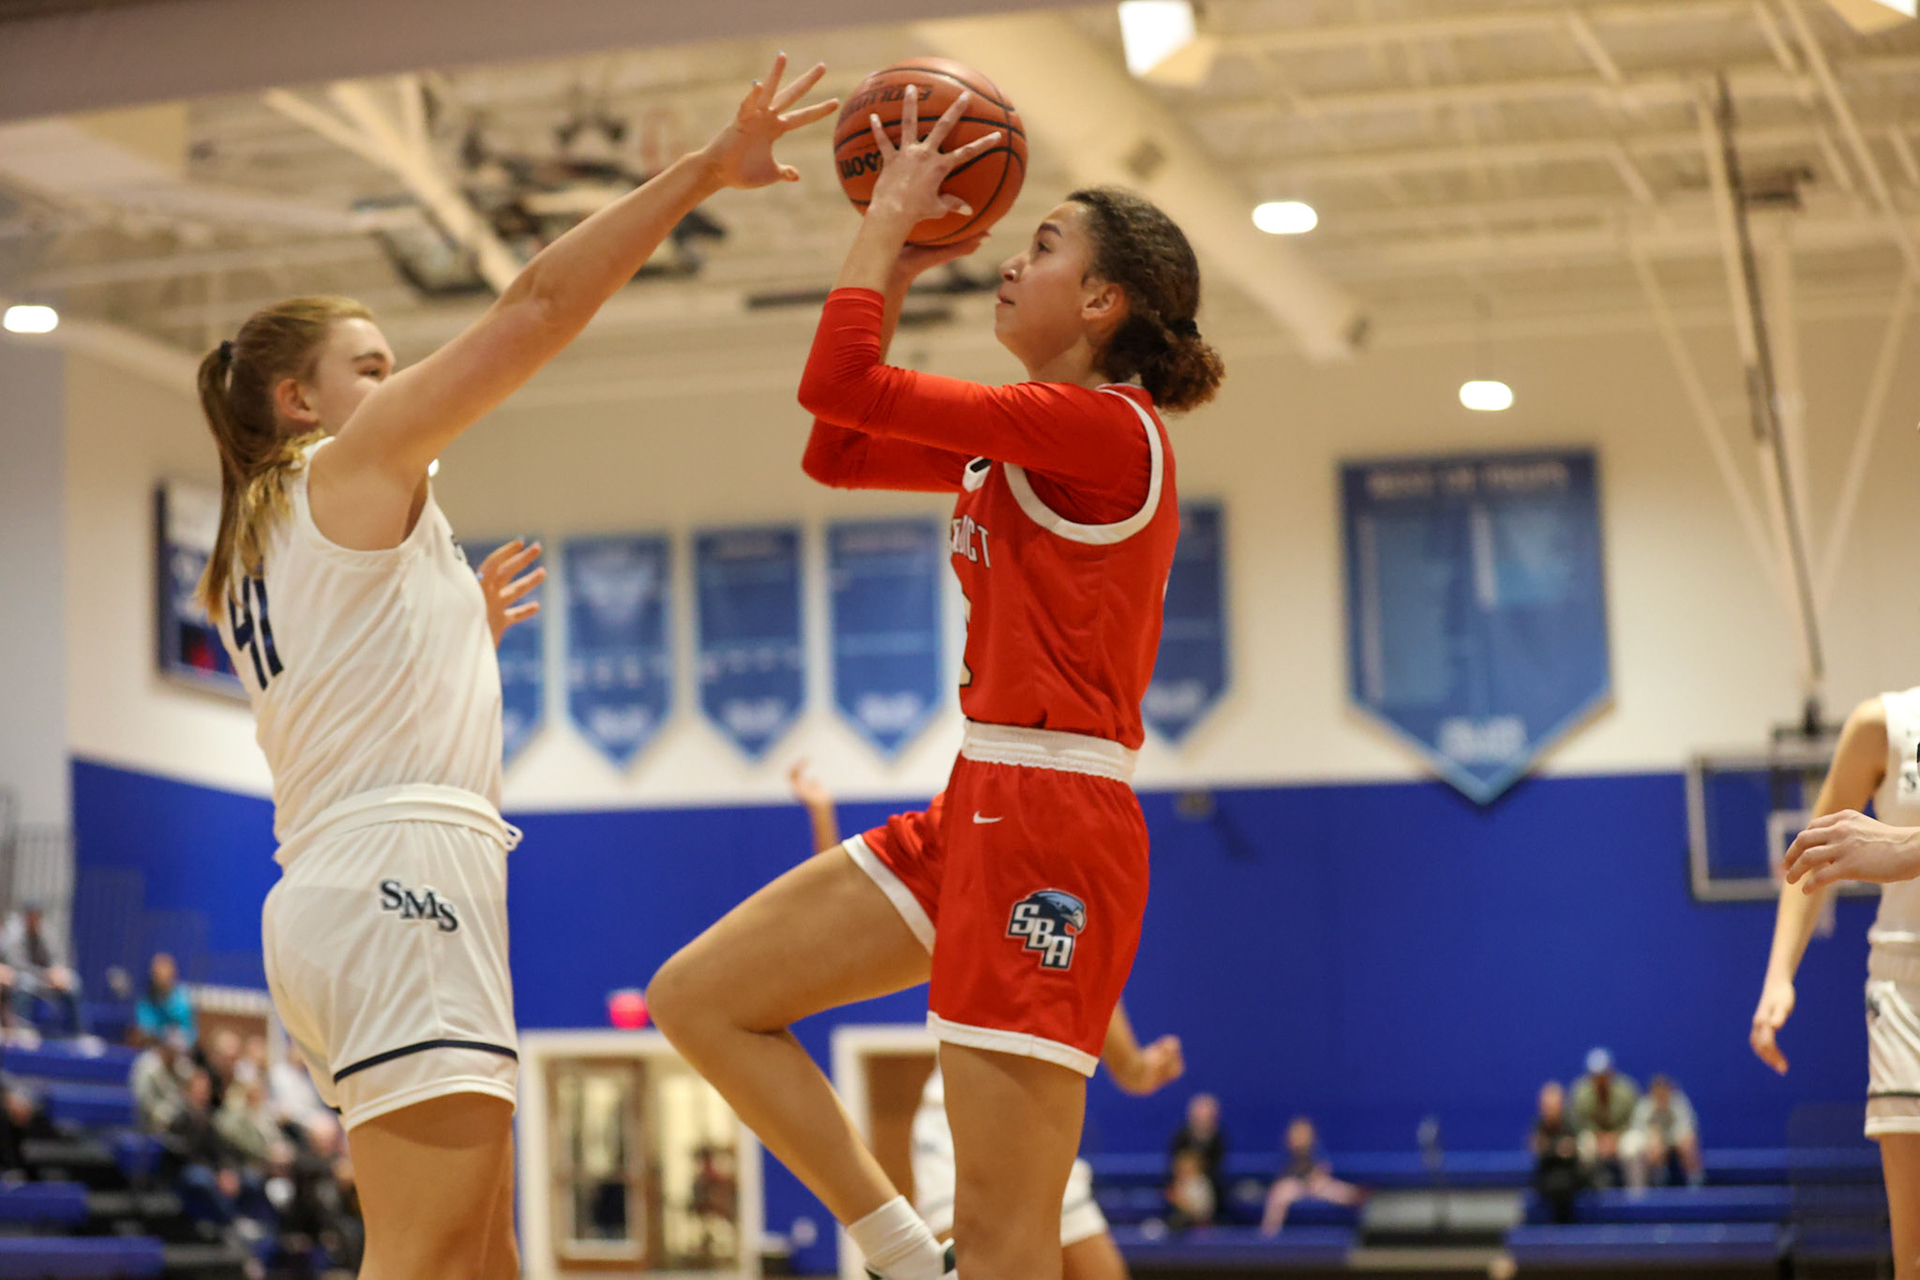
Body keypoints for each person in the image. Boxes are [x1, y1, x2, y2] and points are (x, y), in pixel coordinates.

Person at [193, 56, 837, 1280]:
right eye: (371, 365)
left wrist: (453, 635)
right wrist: (701, 169)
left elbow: (340, 703)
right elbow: (537, 306)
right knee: (431, 1253)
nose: (395, 381)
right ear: (299, 398)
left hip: (342, 887)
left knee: (481, 1253)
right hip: (400, 881)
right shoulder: (344, 466)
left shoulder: (260, 543)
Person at [648, 81, 1224, 1280]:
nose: (1010, 265)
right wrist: (900, 259)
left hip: (1056, 820)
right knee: (700, 997)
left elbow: (841, 389)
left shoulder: (1108, 433)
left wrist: (884, 221)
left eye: (1041, 246)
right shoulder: (1034, 434)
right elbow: (836, 444)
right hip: (980, 803)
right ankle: (907, 1253)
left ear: (1104, 303)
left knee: (1017, 1236)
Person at [784, 761, 1185, 1280]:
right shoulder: (972, 841)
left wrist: (1135, 1067)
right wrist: (823, 815)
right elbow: (847, 908)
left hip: (1040, 1114)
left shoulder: (1078, 876)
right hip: (963, 1115)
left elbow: (1093, 994)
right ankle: (899, 1255)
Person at [1758, 693, 1920, 1279]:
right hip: (1906, 987)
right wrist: (1779, 975)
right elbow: (1807, 860)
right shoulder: (1886, 724)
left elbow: (1901, 849)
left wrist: (1906, 846)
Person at [1259, 1117, 1366, 1235]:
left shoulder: (1316, 1151)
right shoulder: (1286, 1154)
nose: (1300, 1137)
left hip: (1317, 1187)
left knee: (1345, 1192)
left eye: (1304, 1133)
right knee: (1279, 1194)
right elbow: (1283, 1176)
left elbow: (1324, 1169)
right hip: (1293, 1187)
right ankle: (1269, 1234)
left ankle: (1362, 1231)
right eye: (1297, 1134)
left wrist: (1316, 1178)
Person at [0, 903, 85, 1035]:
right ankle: (23, 1030)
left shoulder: (48, 932)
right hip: (27, 976)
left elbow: (59, 957)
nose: (34, 920)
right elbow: (16, 964)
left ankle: (79, 1033)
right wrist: (44, 974)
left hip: (48, 979)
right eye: (31, 916)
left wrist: (58, 972)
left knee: (73, 983)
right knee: (24, 982)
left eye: (37, 917)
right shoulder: (15, 933)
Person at [1570, 1048, 1638, 1189]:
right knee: (1584, 1146)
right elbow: (1579, 1124)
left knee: (1633, 1147)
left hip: (1621, 1137)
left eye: (1604, 1075)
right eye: (1596, 1076)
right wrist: (1600, 1138)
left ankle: (1636, 1194)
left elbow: (1634, 1120)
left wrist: (1615, 1137)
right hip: (1595, 1138)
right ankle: (1587, 1190)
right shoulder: (1580, 1093)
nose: (1600, 1080)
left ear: (1611, 1073)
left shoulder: (1626, 1090)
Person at [1623, 1075, 1702, 1189]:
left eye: (1663, 1092)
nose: (1661, 1095)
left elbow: (1687, 1126)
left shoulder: (1678, 1103)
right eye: (1657, 1093)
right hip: (1653, 1143)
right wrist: (1654, 1136)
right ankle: (1659, 1180)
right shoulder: (1645, 1106)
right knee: (1654, 1144)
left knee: (1688, 1142)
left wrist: (1671, 1138)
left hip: (1675, 1139)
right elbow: (1638, 1130)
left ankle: (1695, 1180)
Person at [1529, 1081, 1584, 1225]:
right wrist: (1557, 1149)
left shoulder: (1571, 1124)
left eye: (1554, 1106)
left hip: (1571, 1178)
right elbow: (1539, 1150)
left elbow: (1571, 1152)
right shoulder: (1538, 1125)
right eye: (1547, 1107)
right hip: (1547, 1177)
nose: (1550, 1110)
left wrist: (1552, 1148)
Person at [1168, 1093, 1227, 1225]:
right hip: (1181, 1182)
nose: (1203, 1120)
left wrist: (1198, 1174)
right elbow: (1173, 1162)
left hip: (1207, 1183)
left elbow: (1217, 1166)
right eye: (1199, 1116)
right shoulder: (1181, 1136)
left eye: (1207, 1117)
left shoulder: (1218, 1139)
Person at [135, 953, 195, 1046]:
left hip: (181, 1049)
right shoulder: (146, 999)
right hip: (153, 1048)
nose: (161, 979)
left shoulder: (182, 996)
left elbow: (188, 1030)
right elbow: (145, 1027)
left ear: (173, 974)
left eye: (165, 974)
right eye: (157, 974)